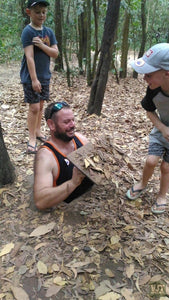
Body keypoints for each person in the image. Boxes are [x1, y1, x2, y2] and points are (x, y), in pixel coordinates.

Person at [126, 43, 169, 214]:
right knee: (151, 161)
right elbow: (149, 110)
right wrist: (163, 128)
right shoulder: (153, 89)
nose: (144, 79)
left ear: (167, 73)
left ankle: (162, 195)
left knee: (166, 168)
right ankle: (142, 183)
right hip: (160, 132)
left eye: (149, 75)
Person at [33, 101, 93, 210]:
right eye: (66, 122)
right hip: (68, 210)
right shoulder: (46, 156)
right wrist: (73, 182)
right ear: (51, 125)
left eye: (73, 120)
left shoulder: (80, 139)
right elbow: (40, 202)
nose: (73, 125)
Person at [20, 0, 59, 154]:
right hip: (31, 77)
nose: (41, 15)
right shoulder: (28, 32)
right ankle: (31, 139)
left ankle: (37, 132)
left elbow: (55, 53)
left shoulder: (48, 32)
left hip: (45, 76)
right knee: (34, 107)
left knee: (41, 106)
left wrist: (42, 46)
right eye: (37, 12)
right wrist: (34, 79)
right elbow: (29, 57)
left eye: (43, 11)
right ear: (29, 12)